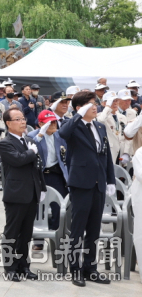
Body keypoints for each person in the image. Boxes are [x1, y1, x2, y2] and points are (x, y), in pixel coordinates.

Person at [59, 91, 116, 286]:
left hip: (99, 182)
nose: (95, 106)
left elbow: (106, 154)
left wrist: (110, 180)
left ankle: (90, 268)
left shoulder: (99, 126)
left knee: (94, 228)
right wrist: (77, 115)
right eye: (90, 104)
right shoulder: (73, 127)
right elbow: (62, 133)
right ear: (79, 107)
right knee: (78, 228)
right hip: (81, 182)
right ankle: (75, 269)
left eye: (95, 103)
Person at [0, 107, 47, 281]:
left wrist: (42, 187)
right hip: (16, 194)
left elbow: (37, 167)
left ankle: (24, 265)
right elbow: (18, 160)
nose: (23, 122)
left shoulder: (27, 140)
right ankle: (10, 268)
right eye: (18, 119)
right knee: (12, 232)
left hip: (32, 192)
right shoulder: (5, 143)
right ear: (9, 123)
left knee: (26, 233)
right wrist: (31, 152)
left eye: (23, 118)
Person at [27, 110, 68, 250]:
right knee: (40, 207)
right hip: (40, 175)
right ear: (40, 124)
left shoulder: (60, 135)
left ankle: (57, 237)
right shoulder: (33, 136)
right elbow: (28, 149)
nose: (53, 124)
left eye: (55, 121)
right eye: (49, 122)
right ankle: (38, 240)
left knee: (58, 206)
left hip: (57, 174)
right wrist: (40, 135)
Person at [97, 92, 126, 165]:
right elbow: (101, 120)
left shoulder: (122, 117)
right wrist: (107, 107)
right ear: (104, 104)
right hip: (110, 151)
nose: (115, 103)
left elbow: (125, 135)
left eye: (116, 101)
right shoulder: (100, 116)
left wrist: (127, 152)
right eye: (112, 101)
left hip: (121, 151)